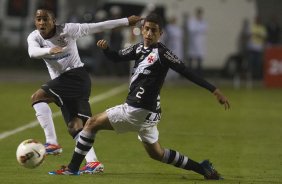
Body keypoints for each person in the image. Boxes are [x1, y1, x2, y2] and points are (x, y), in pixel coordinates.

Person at [49, 13, 230, 180]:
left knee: (91, 123)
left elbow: (186, 71)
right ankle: (203, 169)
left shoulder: (162, 53)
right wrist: (106, 50)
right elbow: (116, 57)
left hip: (138, 109)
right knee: (157, 154)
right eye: (147, 29)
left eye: (154, 30)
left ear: (160, 33)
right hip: (150, 114)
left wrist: (213, 89)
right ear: (142, 30)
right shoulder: (139, 48)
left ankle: (72, 168)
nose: (149, 33)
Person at [27, 7, 141, 174]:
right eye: (39, 19)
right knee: (75, 127)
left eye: (46, 19)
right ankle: (93, 162)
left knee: (37, 97)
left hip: (76, 76)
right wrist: (49, 50)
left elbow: (98, 26)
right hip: (65, 83)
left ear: (54, 20)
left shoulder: (68, 30)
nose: (42, 22)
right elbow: (32, 53)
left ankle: (51, 142)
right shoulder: (34, 37)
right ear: (35, 21)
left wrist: (125, 21)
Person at [187, 7, 207, 76]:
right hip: (193, 42)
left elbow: (204, 29)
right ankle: (190, 74)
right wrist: (199, 28)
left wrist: (198, 28)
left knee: (199, 59)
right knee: (191, 58)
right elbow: (191, 29)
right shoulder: (192, 20)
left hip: (200, 43)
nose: (199, 14)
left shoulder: (203, 21)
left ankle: (199, 74)